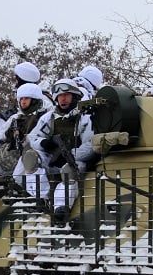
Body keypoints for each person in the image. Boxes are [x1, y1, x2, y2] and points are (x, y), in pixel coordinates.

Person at [18, 78, 95, 223]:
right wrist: (45, 143)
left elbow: (90, 145)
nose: (63, 99)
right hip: (53, 159)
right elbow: (33, 137)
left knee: (69, 171)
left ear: (75, 97)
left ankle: (60, 208)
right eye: (60, 96)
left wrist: (71, 154)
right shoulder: (49, 118)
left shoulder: (85, 118)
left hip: (76, 160)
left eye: (66, 95)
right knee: (29, 158)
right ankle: (40, 199)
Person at [0, 83, 49, 178]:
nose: (23, 102)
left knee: (21, 170)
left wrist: (25, 138)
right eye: (21, 99)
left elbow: (41, 140)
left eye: (26, 99)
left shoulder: (43, 117)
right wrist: (8, 135)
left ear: (34, 100)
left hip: (28, 157)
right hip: (8, 155)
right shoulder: (15, 117)